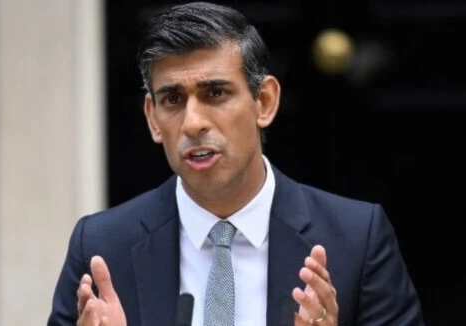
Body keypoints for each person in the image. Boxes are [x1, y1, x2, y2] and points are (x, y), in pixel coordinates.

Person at [48, 2, 424, 325]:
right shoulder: (101, 247)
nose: (193, 122)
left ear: (264, 102)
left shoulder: (356, 240)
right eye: (173, 99)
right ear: (152, 117)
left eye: (215, 93)